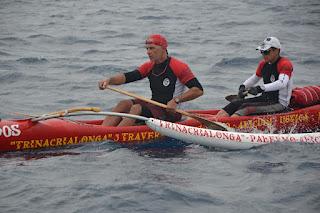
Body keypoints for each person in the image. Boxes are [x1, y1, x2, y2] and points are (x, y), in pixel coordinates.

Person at [98, 34, 204, 126]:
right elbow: (129, 76)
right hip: (154, 106)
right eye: (147, 49)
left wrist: (176, 100)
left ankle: (116, 135)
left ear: (163, 48)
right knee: (124, 104)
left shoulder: (178, 67)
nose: (148, 52)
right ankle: (101, 132)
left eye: (152, 48)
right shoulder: (149, 66)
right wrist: (109, 81)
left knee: (136, 108)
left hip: (171, 112)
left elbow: (198, 90)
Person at [216, 36, 293, 118]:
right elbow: (254, 78)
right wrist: (243, 86)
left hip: (279, 104)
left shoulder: (285, 64)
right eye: (262, 52)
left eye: (266, 52)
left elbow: (282, 83)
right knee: (234, 104)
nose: (264, 55)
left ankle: (227, 126)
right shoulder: (263, 64)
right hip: (264, 99)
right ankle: (215, 121)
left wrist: (260, 88)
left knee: (246, 108)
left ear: (277, 50)